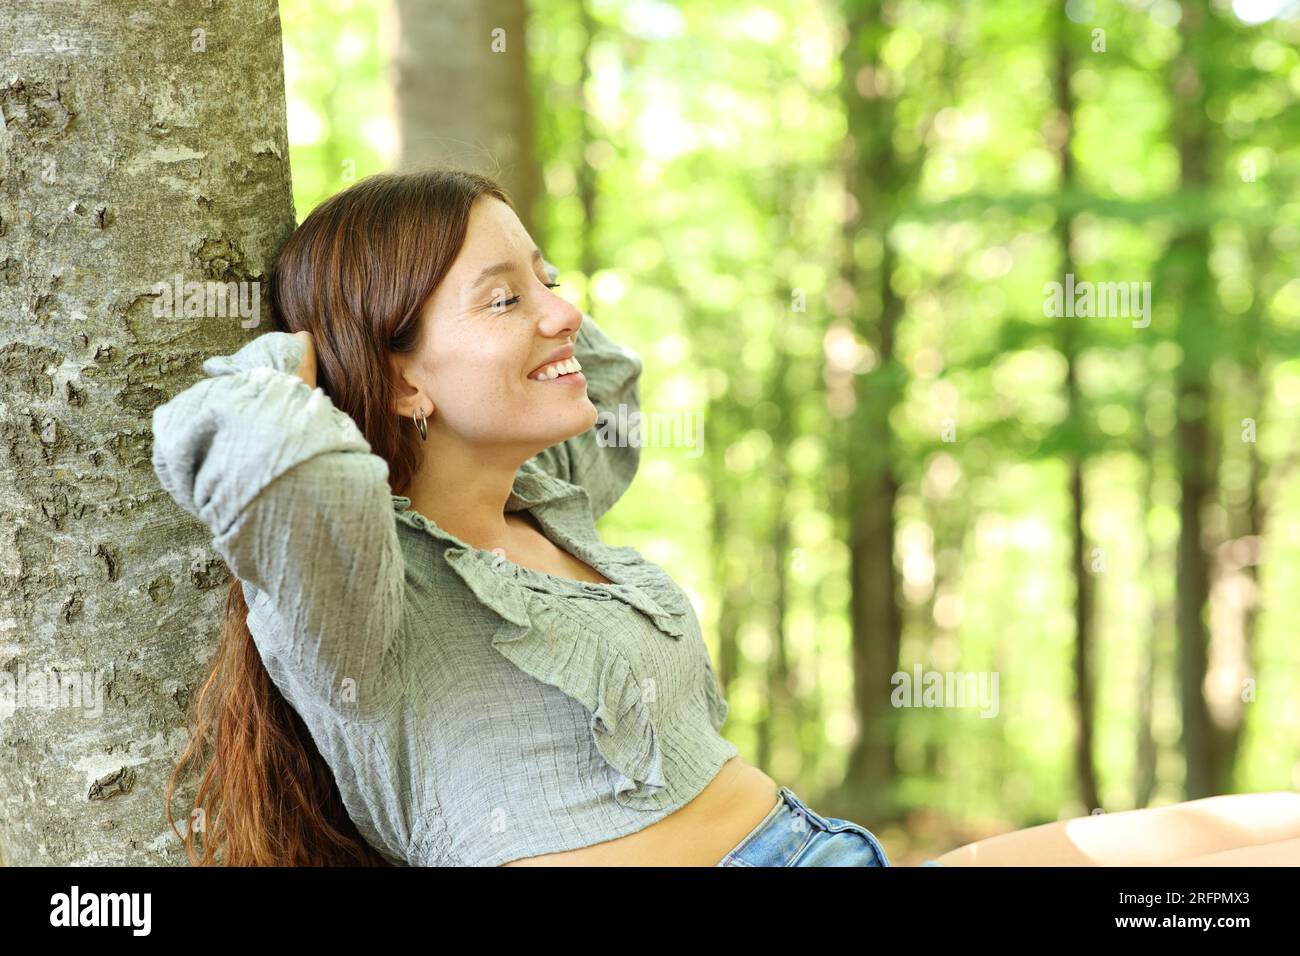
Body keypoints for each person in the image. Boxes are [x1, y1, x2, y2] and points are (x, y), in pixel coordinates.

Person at [151, 168, 1300, 867]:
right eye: (507, 296)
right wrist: (297, 347)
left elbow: (605, 373)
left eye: (547, 272)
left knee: (1267, 822)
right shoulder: (358, 599)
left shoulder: (555, 508)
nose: (564, 309)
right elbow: (271, 455)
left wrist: (505, 290)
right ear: (399, 378)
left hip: (832, 852)